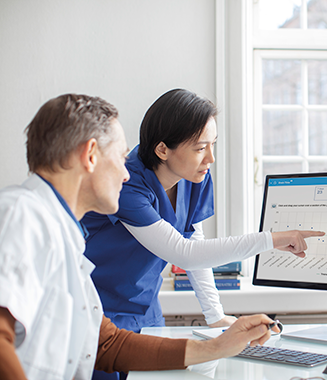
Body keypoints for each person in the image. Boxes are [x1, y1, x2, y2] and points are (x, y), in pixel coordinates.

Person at [0, 94, 283, 380]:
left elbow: (108, 344)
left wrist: (218, 345)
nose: (126, 174)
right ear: (90, 155)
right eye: (121, 158)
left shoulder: (64, 235)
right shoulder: (21, 214)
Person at [80, 89, 323, 379]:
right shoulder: (127, 184)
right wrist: (271, 239)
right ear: (162, 150)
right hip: (101, 312)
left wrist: (215, 315)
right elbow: (183, 254)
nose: (211, 158)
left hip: (146, 309)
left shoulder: (195, 175)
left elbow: (195, 240)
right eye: (199, 148)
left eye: (213, 145)